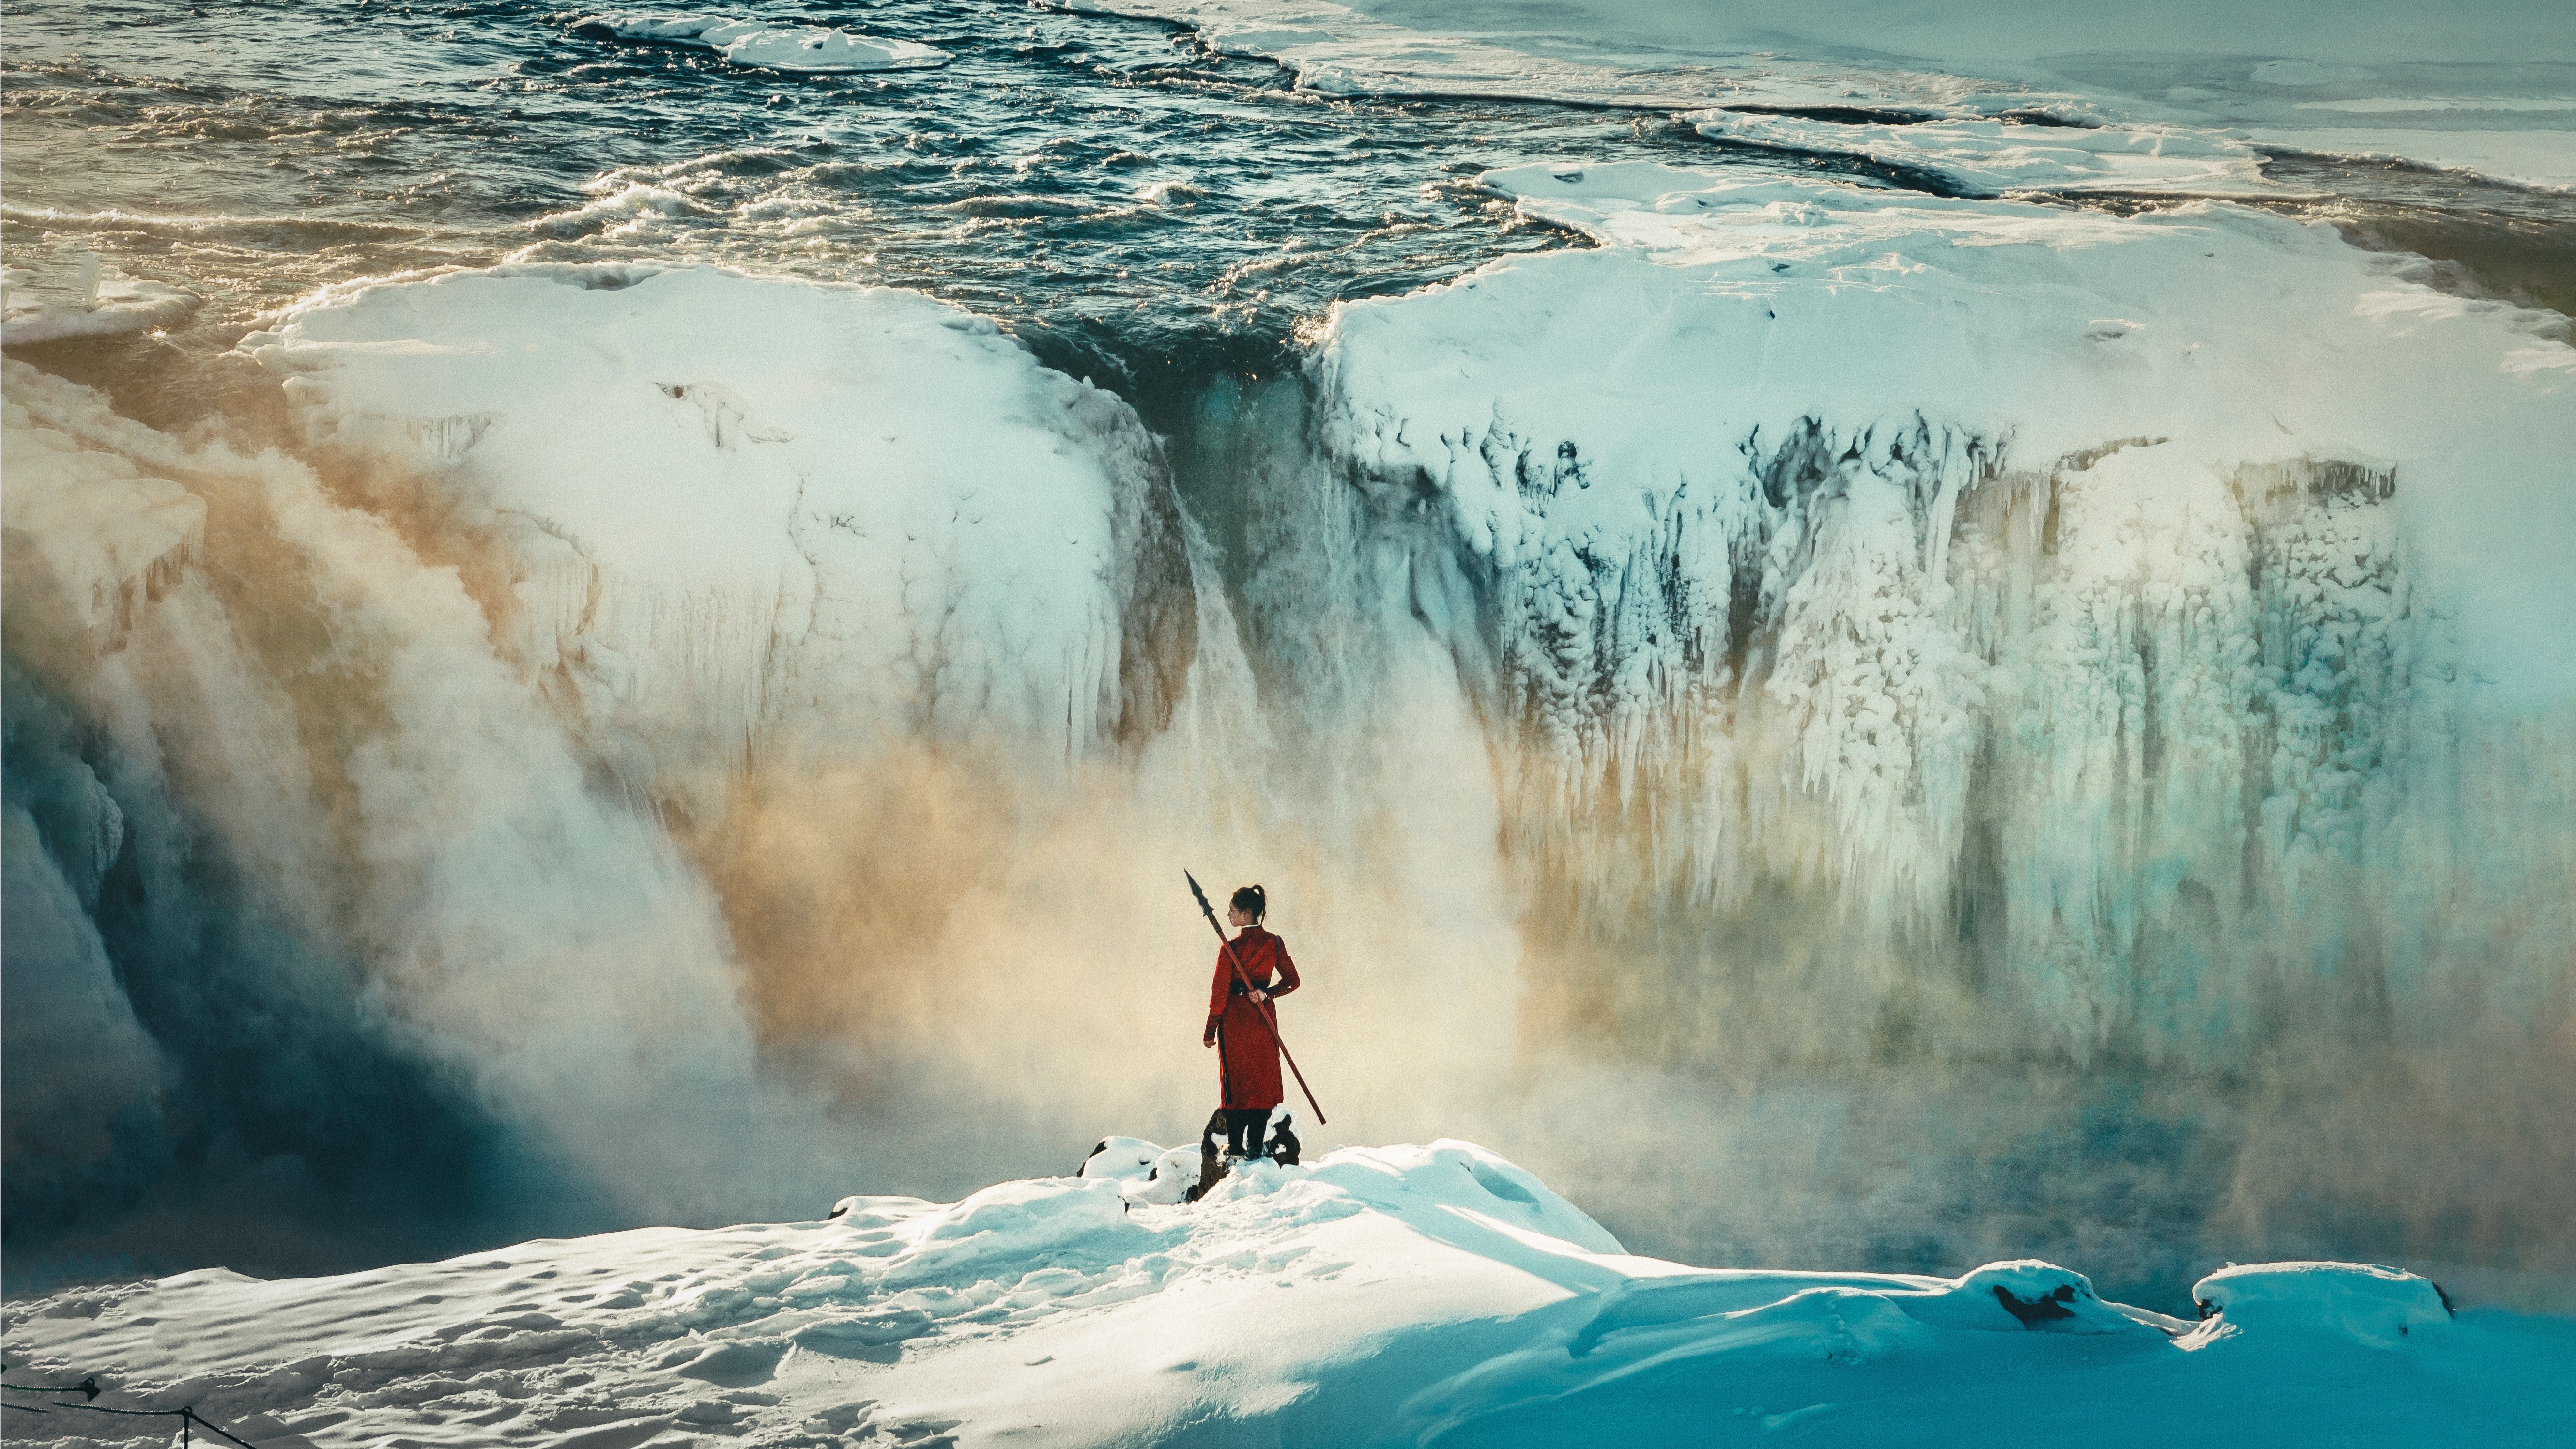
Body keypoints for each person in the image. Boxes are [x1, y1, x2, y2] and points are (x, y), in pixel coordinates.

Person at [1202, 883, 1300, 1160]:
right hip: (1263, 1021)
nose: (1228, 916)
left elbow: (1219, 996)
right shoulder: (1275, 943)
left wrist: (1210, 1029)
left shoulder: (1230, 949)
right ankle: (1255, 1147)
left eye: (1232, 911)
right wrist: (1268, 993)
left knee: (1237, 1083)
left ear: (1246, 915)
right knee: (1260, 1082)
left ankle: (1236, 1148)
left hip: (1234, 1024)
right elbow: (1293, 982)